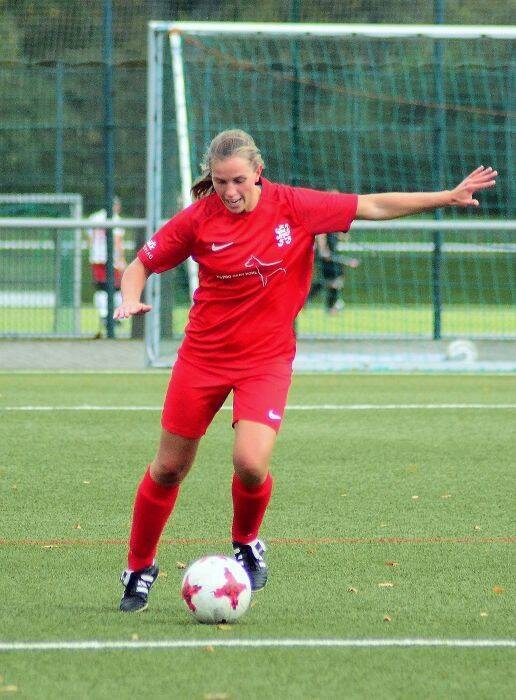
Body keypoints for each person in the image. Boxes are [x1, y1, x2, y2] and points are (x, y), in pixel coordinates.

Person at [113, 129, 497, 612]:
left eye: (238, 180)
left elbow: (372, 205)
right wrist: (130, 298)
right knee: (169, 468)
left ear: (258, 172)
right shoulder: (198, 219)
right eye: (220, 182)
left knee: (251, 464)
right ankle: (139, 568)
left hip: (266, 360)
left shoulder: (295, 206)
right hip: (202, 358)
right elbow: (140, 265)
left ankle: (246, 541)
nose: (229, 192)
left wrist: (446, 196)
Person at [87, 196, 126, 336]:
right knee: (116, 288)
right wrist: (121, 259)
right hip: (112, 259)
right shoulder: (116, 219)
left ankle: (104, 315)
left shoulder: (94, 218)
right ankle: (115, 316)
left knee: (101, 288)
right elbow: (117, 241)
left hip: (97, 258)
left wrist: (94, 252)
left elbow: (90, 238)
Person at [313, 229, 359, 313]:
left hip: (330, 258)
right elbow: (324, 252)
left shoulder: (334, 231)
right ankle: (329, 306)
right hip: (325, 259)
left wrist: (343, 236)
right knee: (331, 282)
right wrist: (347, 261)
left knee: (332, 282)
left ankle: (330, 306)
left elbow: (342, 236)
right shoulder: (323, 232)